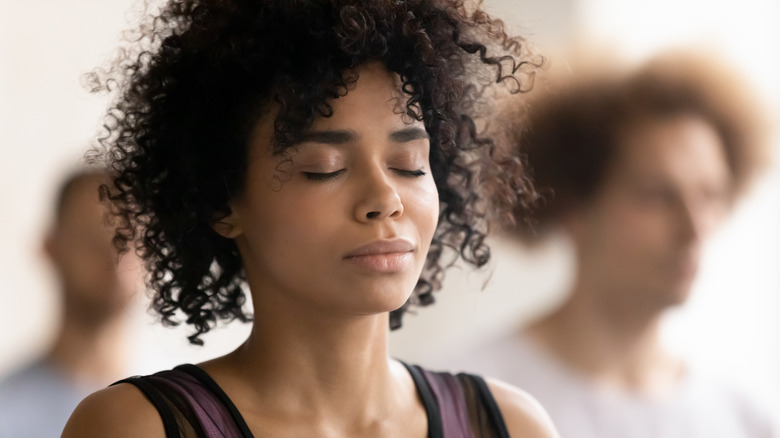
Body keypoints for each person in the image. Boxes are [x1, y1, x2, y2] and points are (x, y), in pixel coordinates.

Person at [62, 1, 558, 437]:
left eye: (410, 165)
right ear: (222, 203)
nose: (386, 199)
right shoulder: (136, 428)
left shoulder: (508, 427)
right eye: (326, 169)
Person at [446, 52, 777, 438]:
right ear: (574, 207)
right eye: (658, 195)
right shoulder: (470, 401)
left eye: (710, 194)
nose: (695, 227)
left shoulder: (745, 420)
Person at [0, 168, 139, 438]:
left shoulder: (183, 406)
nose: (113, 256)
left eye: (127, 240)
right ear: (51, 248)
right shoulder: (8, 412)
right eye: (91, 237)